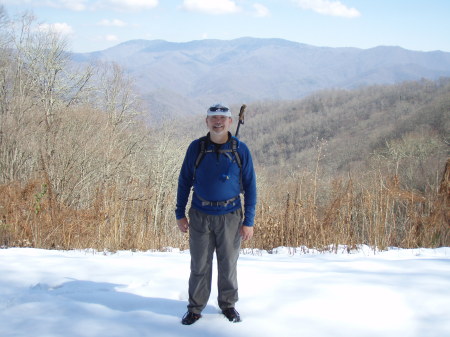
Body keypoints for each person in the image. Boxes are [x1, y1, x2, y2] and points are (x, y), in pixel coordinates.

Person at [176, 103, 257, 325]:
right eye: (214, 118)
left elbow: (250, 186)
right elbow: (184, 181)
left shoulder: (240, 149)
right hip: (201, 213)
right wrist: (179, 213)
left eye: (223, 118)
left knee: (228, 263)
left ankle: (228, 305)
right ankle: (195, 308)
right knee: (200, 264)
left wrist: (248, 221)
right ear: (207, 121)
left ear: (230, 122)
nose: (218, 121)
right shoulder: (197, 148)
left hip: (231, 214)